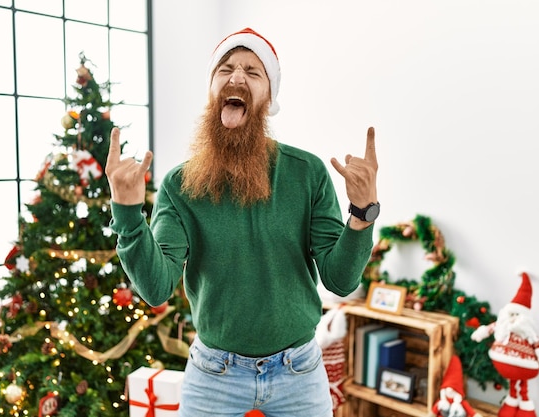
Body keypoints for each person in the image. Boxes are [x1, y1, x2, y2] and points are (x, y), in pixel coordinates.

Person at [106, 27, 379, 417]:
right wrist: (128, 214)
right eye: (226, 69)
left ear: (269, 99)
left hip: (298, 372)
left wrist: (362, 213)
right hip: (213, 374)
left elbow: (340, 280)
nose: (236, 78)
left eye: (253, 72)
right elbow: (156, 287)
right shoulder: (180, 185)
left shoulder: (307, 173)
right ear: (212, 92)